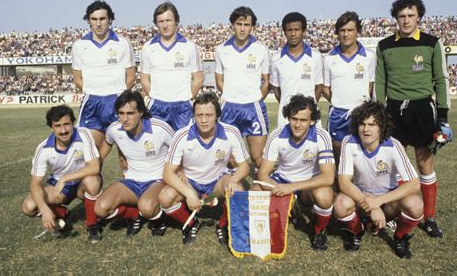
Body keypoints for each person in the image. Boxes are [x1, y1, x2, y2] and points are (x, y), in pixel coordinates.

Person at [375, 0, 452, 238]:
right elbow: (380, 81)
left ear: (419, 17)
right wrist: (379, 112)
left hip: (422, 109)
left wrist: (443, 116)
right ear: (395, 18)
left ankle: (428, 217)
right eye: (402, 16)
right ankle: (394, 212)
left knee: (423, 161)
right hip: (393, 109)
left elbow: (441, 79)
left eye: (411, 15)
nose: (406, 20)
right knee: (393, 163)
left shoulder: (432, 42)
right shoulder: (385, 45)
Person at [334, 101, 423, 259]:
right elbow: (343, 182)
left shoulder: (393, 146)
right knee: (340, 204)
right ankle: (357, 231)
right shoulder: (349, 142)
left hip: (388, 203)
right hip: (361, 198)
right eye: (362, 123)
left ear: (381, 127)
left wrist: (379, 201)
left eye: (372, 124)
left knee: (415, 205)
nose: (366, 129)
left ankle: (400, 237)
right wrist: (372, 206)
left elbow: (414, 184)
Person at [158, 92, 250, 246]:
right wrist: (189, 193)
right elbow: (167, 173)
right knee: (165, 198)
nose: (203, 120)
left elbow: (245, 167)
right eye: (199, 115)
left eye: (209, 114)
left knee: (237, 190)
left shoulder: (231, 132)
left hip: (218, 180)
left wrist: (234, 180)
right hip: (190, 181)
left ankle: (222, 224)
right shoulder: (182, 135)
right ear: (193, 115)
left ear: (217, 115)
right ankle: (191, 223)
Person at [252, 94, 335, 251]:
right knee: (255, 193)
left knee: (325, 196)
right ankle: (288, 209)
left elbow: (328, 177)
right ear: (288, 118)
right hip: (282, 179)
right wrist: (280, 189)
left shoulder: (321, 136)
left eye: (303, 120)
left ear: (312, 121)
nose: (297, 124)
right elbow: (262, 174)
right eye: (293, 118)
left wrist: (292, 188)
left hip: (308, 184)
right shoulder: (277, 135)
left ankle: (319, 230)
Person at [95, 90, 174, 238]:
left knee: (147, 207)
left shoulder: (160, 128)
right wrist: (96, 164)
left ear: (141, 112)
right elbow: (107, 142)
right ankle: (133, 214)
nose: (124, 119)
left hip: (158, 179)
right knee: (101, 208)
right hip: (131, 180)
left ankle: (158, 220)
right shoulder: (114, 129)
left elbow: (179, 148)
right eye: (121, 113)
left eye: (130, 113)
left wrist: (180, 172)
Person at [21, 105, 103, 243]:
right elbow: (35, 183)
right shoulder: (43, 149)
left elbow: (95, 167)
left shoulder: (84, 134)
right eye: (58, 126)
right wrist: (44, 209)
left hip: (82, 182)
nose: (63, 130)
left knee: (92, 181)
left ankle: (92, 225)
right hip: (59, 187)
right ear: (51, 127)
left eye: (67, 124)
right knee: (29, 207)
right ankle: (60, 213)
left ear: (73, 123)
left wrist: (65, 178)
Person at [72, 0, 136, 147]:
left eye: (102, 19)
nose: (98, 23)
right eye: (94, 19)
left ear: (110, 19)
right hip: (92, 102)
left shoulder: (123, 43)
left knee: (127, 153)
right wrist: (94, 91)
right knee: (89, 150)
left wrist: (119, 96)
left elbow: (131, 76)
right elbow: (77, 78)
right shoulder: (79, 45)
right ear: (88, 21)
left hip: (117, 100)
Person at [215, 6, 271, 170]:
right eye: (239, 24)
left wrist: (255, 98)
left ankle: (260, 188)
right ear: (232, 25)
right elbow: (219, 79)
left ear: (252, 26)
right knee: (228, 155)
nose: (242, 28)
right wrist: (230, 95)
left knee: (257, 156)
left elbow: (266, 81)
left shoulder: (261, 49)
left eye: (247, 24)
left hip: (253, 107)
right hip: (228, 107)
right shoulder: (221, 49)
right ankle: (233, 189)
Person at [140, 1, 203, 131]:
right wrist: (154, 97)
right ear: (156, 23)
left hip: (183, 107)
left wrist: (188, 98)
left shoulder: (189, 46)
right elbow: (144, 78)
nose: (165, 25)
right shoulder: (148, 47)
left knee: (184, 147)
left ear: (176, 21)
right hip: (158, 106)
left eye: (168, 20)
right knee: (157, 148)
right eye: (160, 21)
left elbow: (198, 78)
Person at [322, 11, 376, 165]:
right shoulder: (328, 58)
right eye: (342, 30)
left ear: (358, 31)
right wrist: (339, 100)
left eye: (350, 30)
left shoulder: (370, 56)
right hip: (338, 114)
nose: (346, 34)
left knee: (363, 156)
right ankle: (340, 188)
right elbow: (325, 88)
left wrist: (359, 103)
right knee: (339, 157)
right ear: (337, 33)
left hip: (362, 113)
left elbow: (370, 85)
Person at [270, 12, 324, 127]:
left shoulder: (316, 56)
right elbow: (276, 88)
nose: (293, 34)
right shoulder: (276, 58)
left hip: (310, 117)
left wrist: (307, 108)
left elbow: (319, 87)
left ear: (303, 31)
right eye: (289, 30)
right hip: (285, 118)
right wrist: (289, 107)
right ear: (284, 32)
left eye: (297, 29)